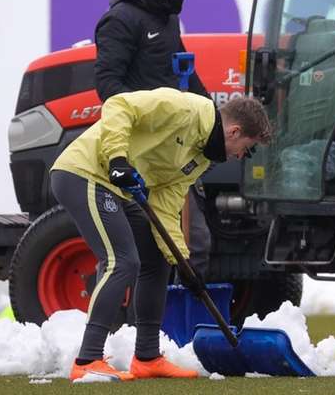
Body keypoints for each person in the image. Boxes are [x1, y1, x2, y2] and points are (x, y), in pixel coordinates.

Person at [50, 89, 270, 381]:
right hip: (85, 173)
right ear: (234, 131)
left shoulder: (202, 159)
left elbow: (166, 204)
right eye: (248, 148)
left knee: (156, 260)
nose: (242, 156)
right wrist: (117, 159)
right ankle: (87, 360)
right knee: (123, 262)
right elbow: (119, 105)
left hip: (118, 191)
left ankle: (147, 357)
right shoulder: (185, 109)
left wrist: (182, 260)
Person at [94, 0, 213, 279]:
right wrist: (148, 115)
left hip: (172, 145)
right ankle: (133, 322)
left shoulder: (168, 17)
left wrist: (213, 114)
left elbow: (184, 72)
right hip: (140, 148)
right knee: (142, 245)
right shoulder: (120, 20)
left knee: (196, 244)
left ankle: (172, 322)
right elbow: (107, 84)